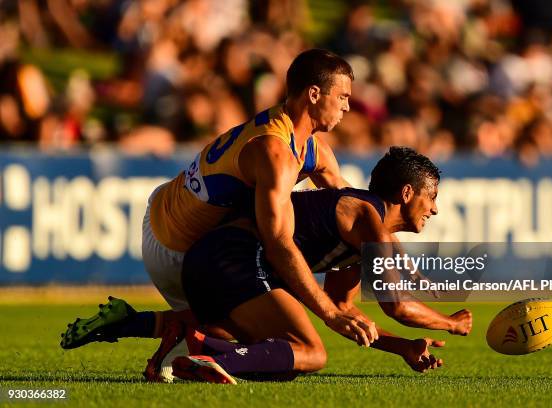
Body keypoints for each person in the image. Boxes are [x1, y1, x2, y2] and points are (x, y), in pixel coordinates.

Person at [60, 48, 378, 350]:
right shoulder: (275, 151)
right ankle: (157, 342)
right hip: (176, 249)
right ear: (313, 94)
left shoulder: (307, 145)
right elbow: (279, 243)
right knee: (281, 342)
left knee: (263, 317)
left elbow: (357, 209)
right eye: (343, 97)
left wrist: (395, 254)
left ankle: (130, 323)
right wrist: (329, 312)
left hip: (168, 211)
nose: (348, 107)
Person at [162, 147, 472, 383]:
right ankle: (208, 362)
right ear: (407, 193)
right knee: (310, 353)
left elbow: (342, 308)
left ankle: (179, 337)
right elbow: (398, 307)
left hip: (213, 261)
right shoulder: (368, 221)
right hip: (232, 257)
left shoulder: (364, 230)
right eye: (432, 197)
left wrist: (402, 347)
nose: (435, 209)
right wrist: (452, 323)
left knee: (275, 359)